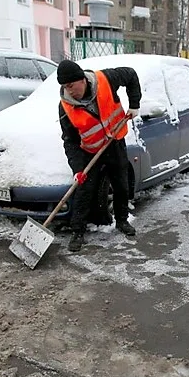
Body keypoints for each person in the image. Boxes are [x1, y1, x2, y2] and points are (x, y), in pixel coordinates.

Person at [57, 59, 142, 252]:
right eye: (65, 87)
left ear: (82, 80)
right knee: (84, 190)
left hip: (114, 142)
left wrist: (134, 103)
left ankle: (122, 221)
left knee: (121, 184)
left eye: (71, 85)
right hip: (90, 150)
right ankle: (77, 231)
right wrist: (78, 168)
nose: (69, 91)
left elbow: (130, 74)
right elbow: (69, 141)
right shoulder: (65, 107)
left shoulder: (105, 79)